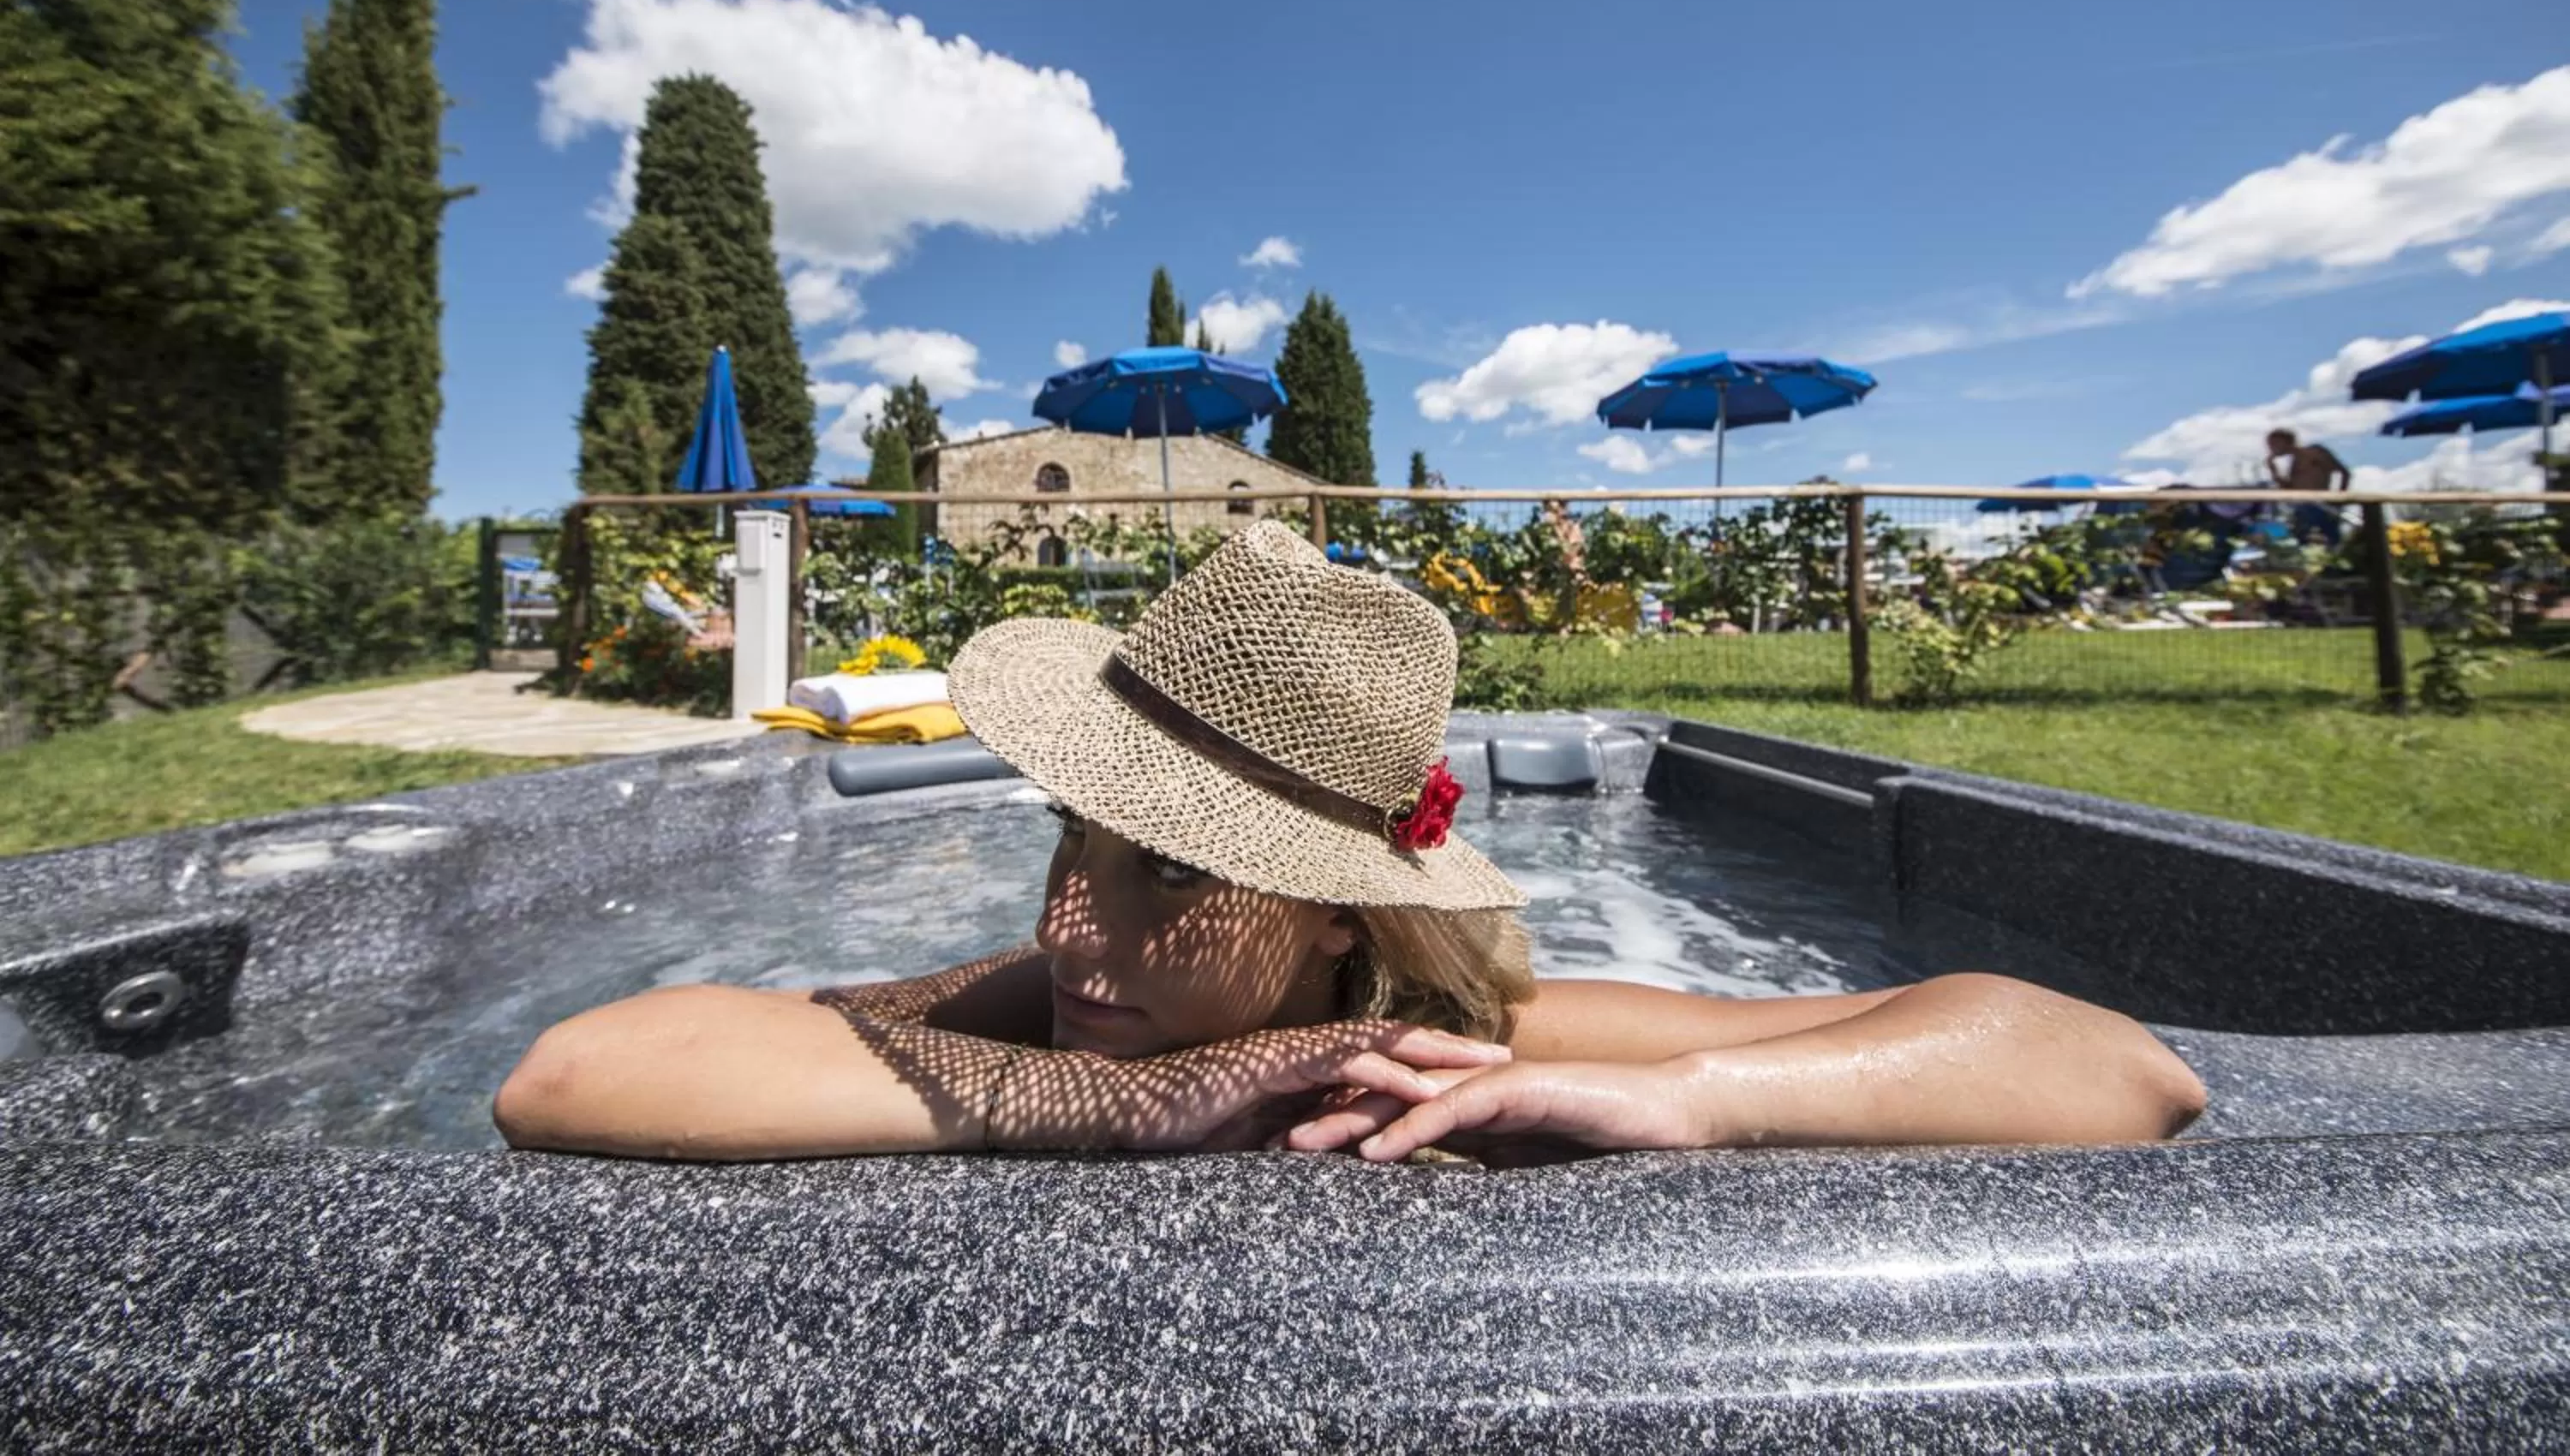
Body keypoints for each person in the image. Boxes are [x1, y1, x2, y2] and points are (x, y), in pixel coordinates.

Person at [494, 522, 2203, 1164]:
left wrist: (1704, 1097)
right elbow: (571, 1072)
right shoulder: (1067, 1000)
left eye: (1173, 868)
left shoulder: (1454, 1040)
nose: (1086, 926)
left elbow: (2114, 1063)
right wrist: (1092, 1089)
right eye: (1073, 846)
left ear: (1337, 915)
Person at [2265, 428, 2351, 546]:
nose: (2271, 448)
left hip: (2322, 504)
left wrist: (2339, 499)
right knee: (2297, 537)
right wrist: (2274, 470)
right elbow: (2290, 489)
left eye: (2273, 444)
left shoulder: (2315, 452)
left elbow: (2343, 472)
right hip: (2301, 507)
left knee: (2332, 539)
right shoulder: (2293, 464)